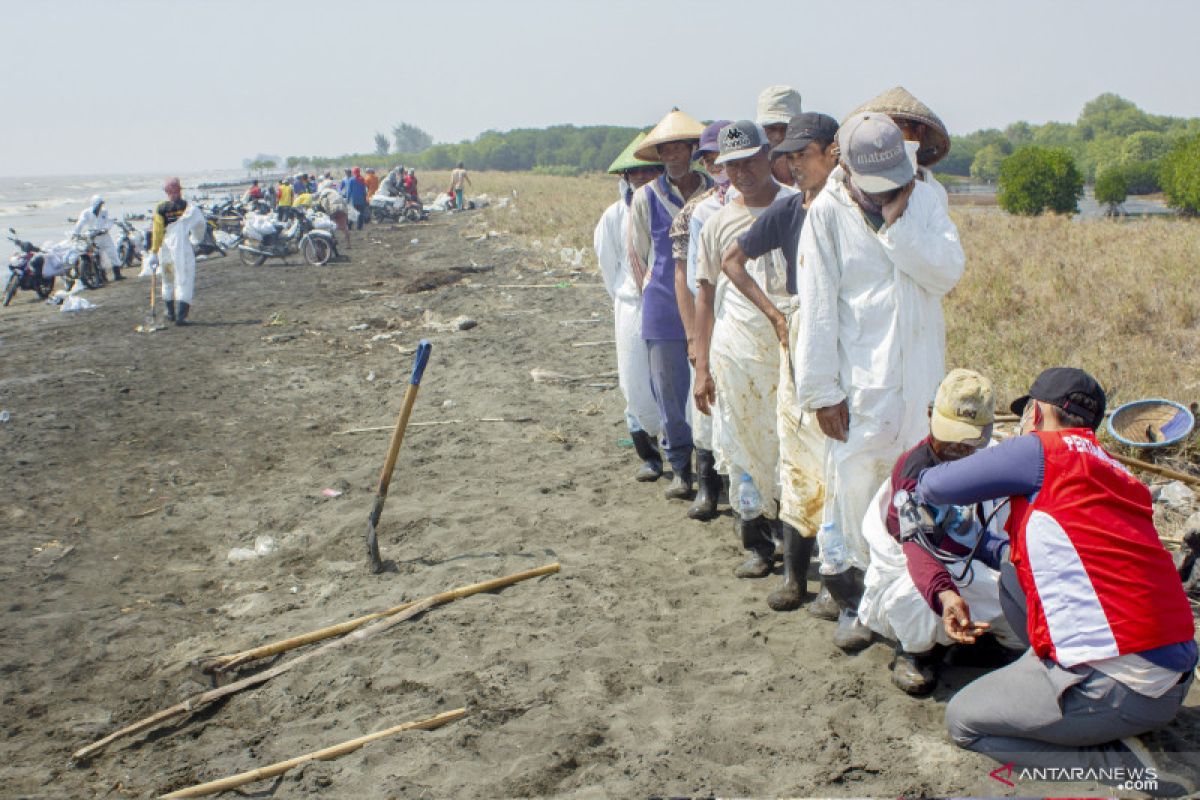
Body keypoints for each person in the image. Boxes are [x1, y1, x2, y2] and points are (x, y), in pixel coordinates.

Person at [912, 368, 1198, 792]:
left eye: (1028, 413)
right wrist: (976, 536)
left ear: (1037, 411)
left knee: (964, 721)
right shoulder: (1115, 472)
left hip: (1127, 687)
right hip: (1172, 671)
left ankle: (1122, 764)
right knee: (1012, 576)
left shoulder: (1040, 451)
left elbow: (934, 485)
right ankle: (1062, 690)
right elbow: (1048, 557)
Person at [794, 111, 965, 650]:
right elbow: (818, 308)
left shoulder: (928, 199)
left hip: (920, 379)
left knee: (916, 499)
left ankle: (913, 612)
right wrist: (822, 392)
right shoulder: (827, 213)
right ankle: (863, 604)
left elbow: (946, 273)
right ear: (848, 168)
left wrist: (900, 222)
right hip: (860, 386)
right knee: (859, 495)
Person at [718, 112, 840, 610]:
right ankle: (794, 578)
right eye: (787, 157)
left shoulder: (850, 209)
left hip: (844, 344)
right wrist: (776, 315)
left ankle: (836, 583)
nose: (793, 166)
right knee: (796, 456)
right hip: (799, 339)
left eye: (800, 156)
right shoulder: (791, 212)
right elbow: (731, 260)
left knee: (838, 463)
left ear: (833, 154)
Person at [857, 369, 1020, 694]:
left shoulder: (991, 464)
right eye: (952, 434)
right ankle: (915, 653)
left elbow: (984, 537)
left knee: (1021, 597)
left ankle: (990, 647)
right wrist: (945, 595)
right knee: (914, 600)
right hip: (916, 570)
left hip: (969, 565)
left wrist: (1012, 559)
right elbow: (917, 548)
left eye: (969, 439)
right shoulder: (914, 471)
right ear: (931, 415)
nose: (959, 447)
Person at [692, 120, 799, 583]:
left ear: (769, 157)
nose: (742, 173)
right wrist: (701, 365)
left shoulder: (797, 208)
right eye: (731, 166)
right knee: (740, 443)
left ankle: (791, 537)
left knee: (786, 442)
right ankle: (755, 542)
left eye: (750, 162)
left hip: (788, 344)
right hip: (735, 347)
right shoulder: (716, 223)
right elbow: (705, 295)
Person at [628, 109, 713, 501]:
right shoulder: (646, 198)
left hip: (708, 302)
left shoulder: (715, 191)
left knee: (710, 389)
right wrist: (654, 292)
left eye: (681, 147)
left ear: (693, 150)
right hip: (662, 302)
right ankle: (680, 466)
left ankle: (710, 468)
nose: (674, 155)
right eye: (667, 150)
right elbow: (639, 257)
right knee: (668, 391)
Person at [594, 132, 665, 481]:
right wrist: (627, 297)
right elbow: (608, 264)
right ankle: (649, 455)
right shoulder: (612, 217)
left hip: (666, 301)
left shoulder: (668, 208)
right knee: (634, 381)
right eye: (635, 173)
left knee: (670, 378)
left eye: (649, 171)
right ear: (625, 177)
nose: (642, 179)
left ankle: (679, 449)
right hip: (630, 304)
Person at [669, 119, 731, 520]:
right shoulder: (696, 212)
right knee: (707, 410)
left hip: (752, 322)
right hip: (713, 320)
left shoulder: (774, 200)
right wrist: (694, 337)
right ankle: (707, 490)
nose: (717, 165)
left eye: (721, 157)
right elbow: (688, 280)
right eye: (709, 159)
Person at [850, 86, 951, 209]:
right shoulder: (850, 185)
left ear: (918, 132)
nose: (887, 134)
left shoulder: (934, 192)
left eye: (897, 125)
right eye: (880, 127)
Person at [150, 177, 206, 325]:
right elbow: (200, 225)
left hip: (166, 250)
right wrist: (196, 240)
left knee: (168, 279)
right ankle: (181, 316)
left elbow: (157, 232)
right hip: (180, 249)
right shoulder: (188, 207)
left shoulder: (161, 208)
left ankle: (170, 313)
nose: (174, 193)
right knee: (184, 279)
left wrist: (154, 252)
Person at [755, 85, 803, 186]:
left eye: (785, 128)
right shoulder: (749, 179)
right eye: (771, 128)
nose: (778, 136)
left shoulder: (817, 173)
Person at [73, 194, 122, 280]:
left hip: (105, 236)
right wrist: (75, 233)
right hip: (93, 238)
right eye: (99, 204)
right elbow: (80, 223)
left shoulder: (104, 212)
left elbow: (109, 221)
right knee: (98, 256)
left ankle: (117, 274)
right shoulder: (86, 213)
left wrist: (106, 229)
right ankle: (102, 276)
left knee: (113, 253)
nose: (100, 206)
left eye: (101, 204)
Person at [317, 179, 352, 250]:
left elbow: (325, 204)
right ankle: (348, 244)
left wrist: (327, 213)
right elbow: (343, 200)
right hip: (342, 208)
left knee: (330, 226)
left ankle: (332, 241)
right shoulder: (335, 192)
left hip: (333, 209)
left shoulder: (324, 193)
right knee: (344, 227)